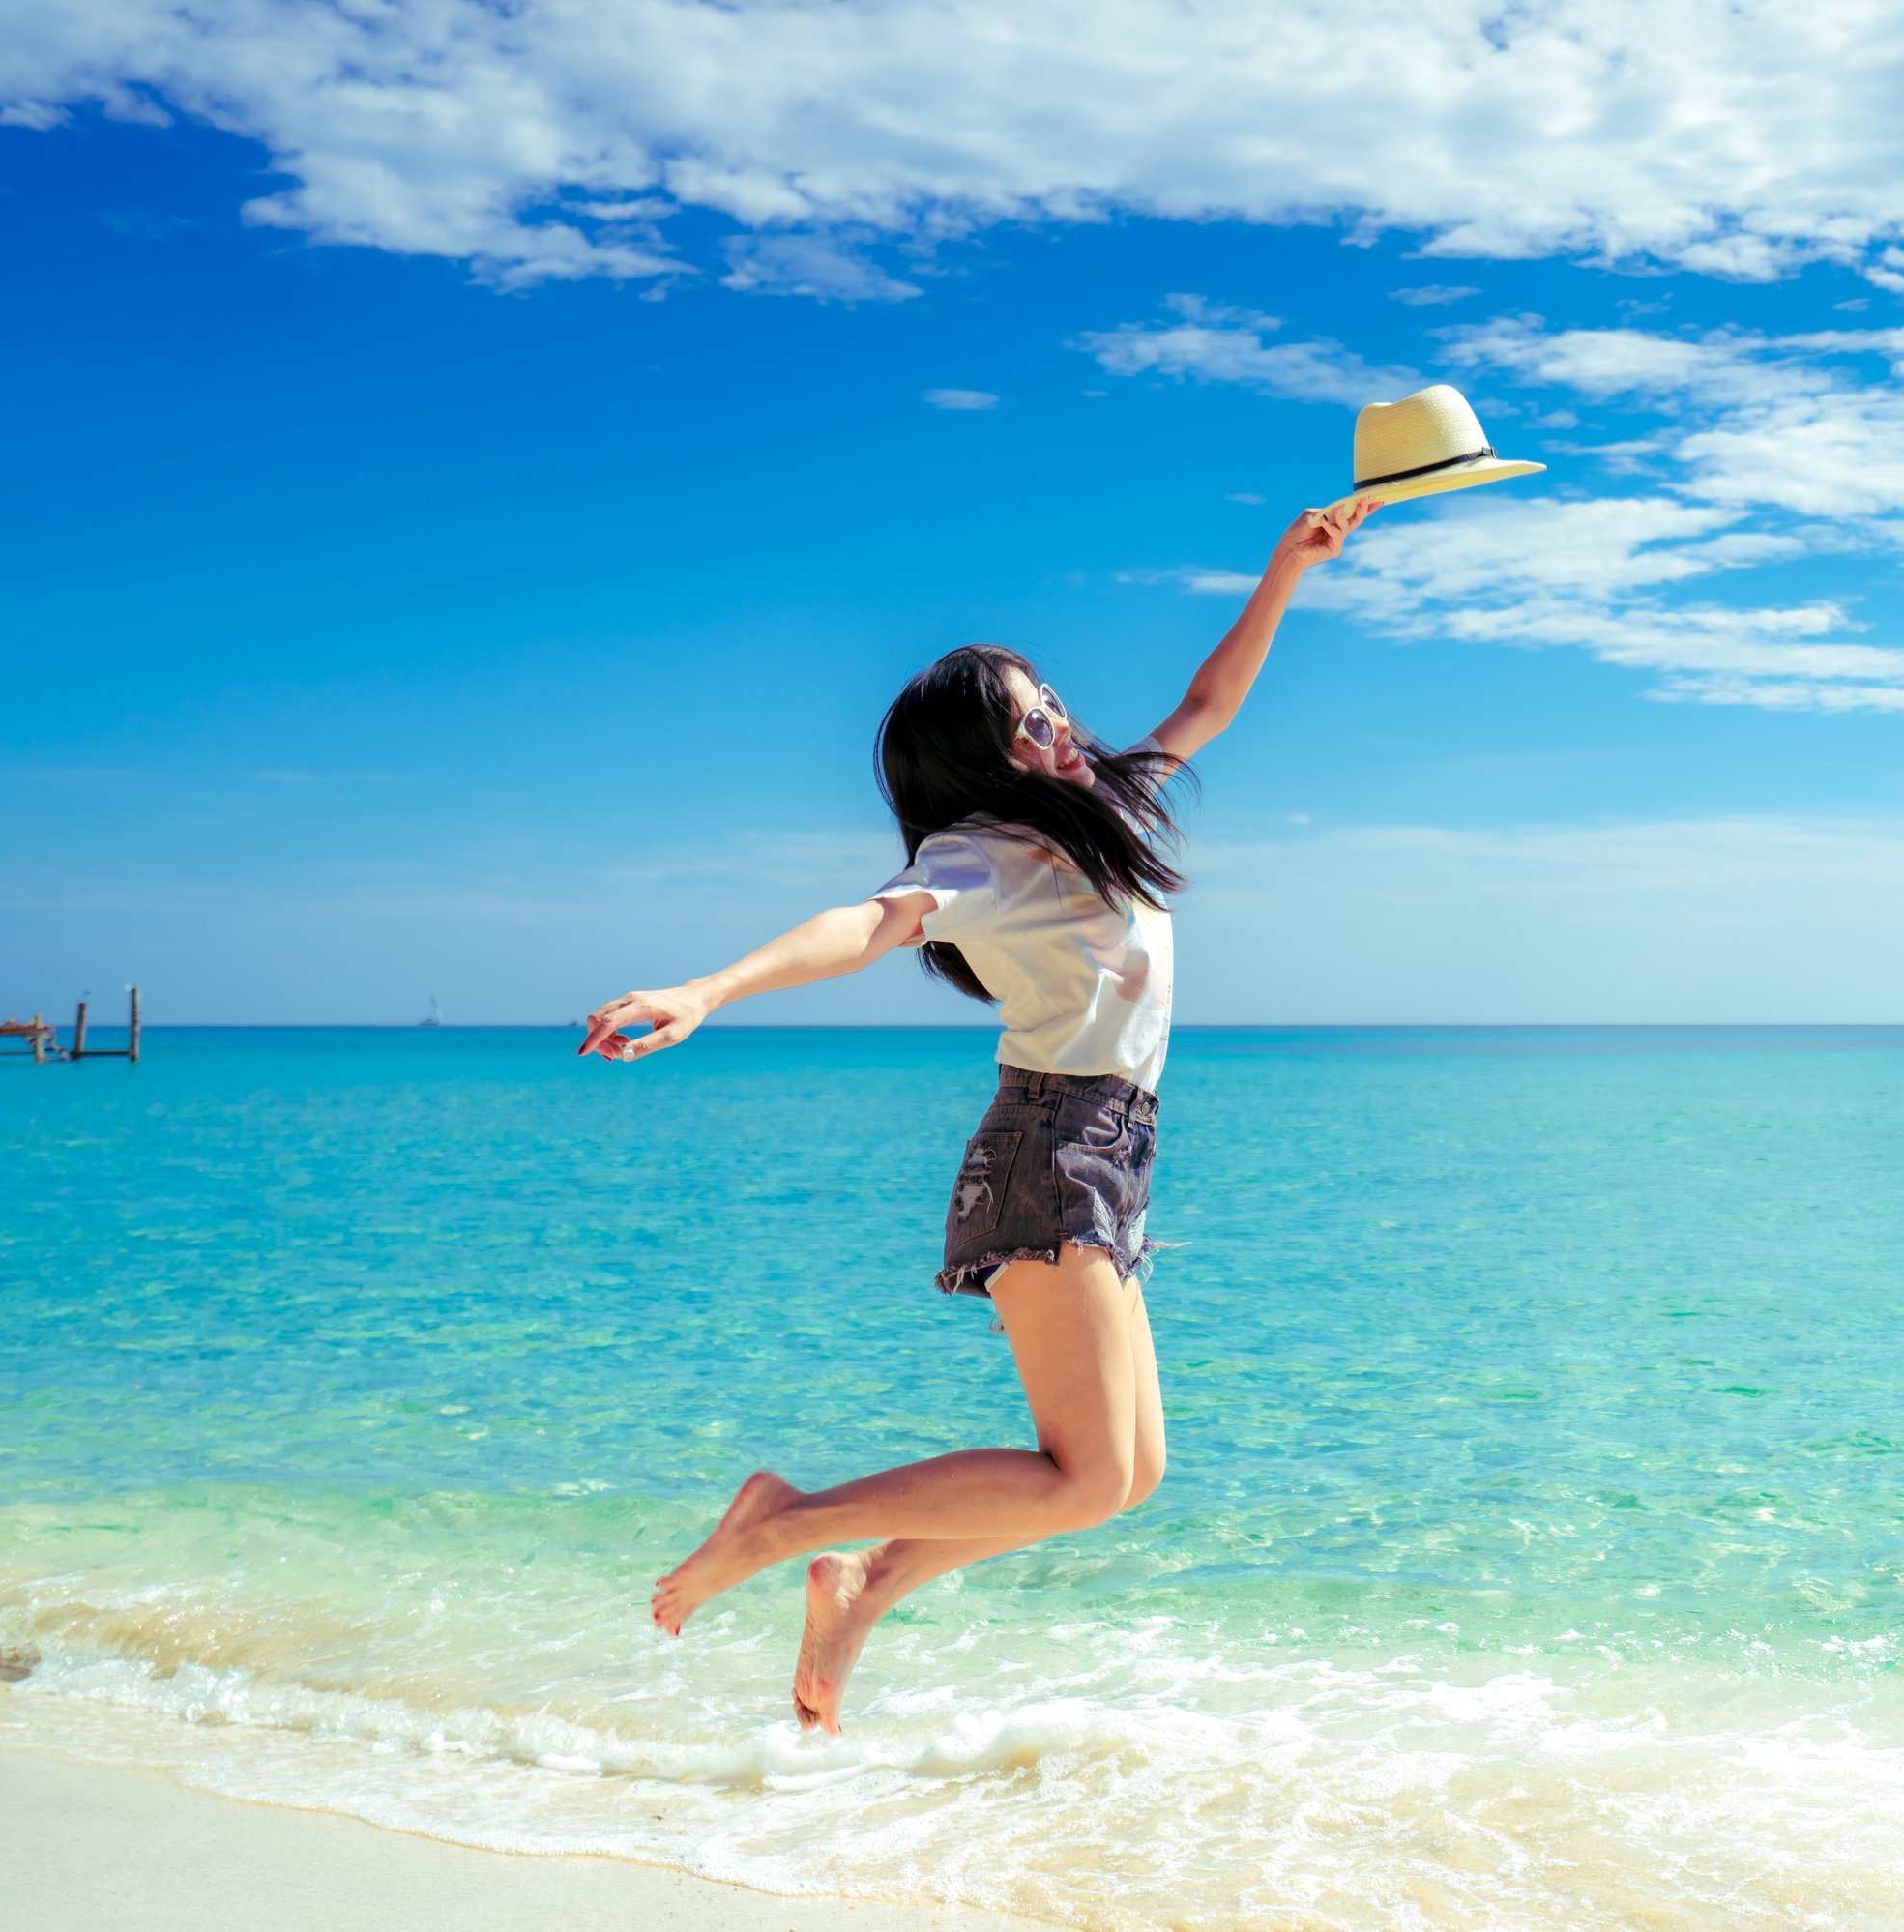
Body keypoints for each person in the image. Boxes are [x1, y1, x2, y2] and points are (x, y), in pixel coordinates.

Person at [577, 500, 1376, 1733]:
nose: (1056, 715)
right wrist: (708, 989)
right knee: (1085, 1477)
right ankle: (783, 1524)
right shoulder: (977, 854)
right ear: (981, 758)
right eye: (1024, 714)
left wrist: (1286, 568)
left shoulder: (1098, 815)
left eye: (1047, 694)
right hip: (1050, 1150)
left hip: (1107, 1150)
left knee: (1125, 1478)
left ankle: (865, 1578)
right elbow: (865, 925)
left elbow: (1206, 705)